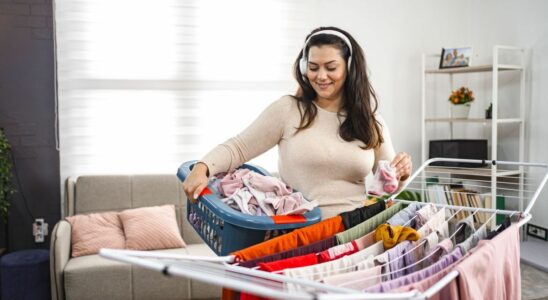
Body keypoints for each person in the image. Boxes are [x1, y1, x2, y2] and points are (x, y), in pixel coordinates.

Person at [182, 26, 412, 219]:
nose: (321, 76)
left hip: (354, 231)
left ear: (350, 69)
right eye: (313, 68)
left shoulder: (371, 122)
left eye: (331, 67)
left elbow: (386, 184)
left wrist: (400, 175)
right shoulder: (289, 110)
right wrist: (203, 167)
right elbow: (239, 147)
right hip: (299, 231)